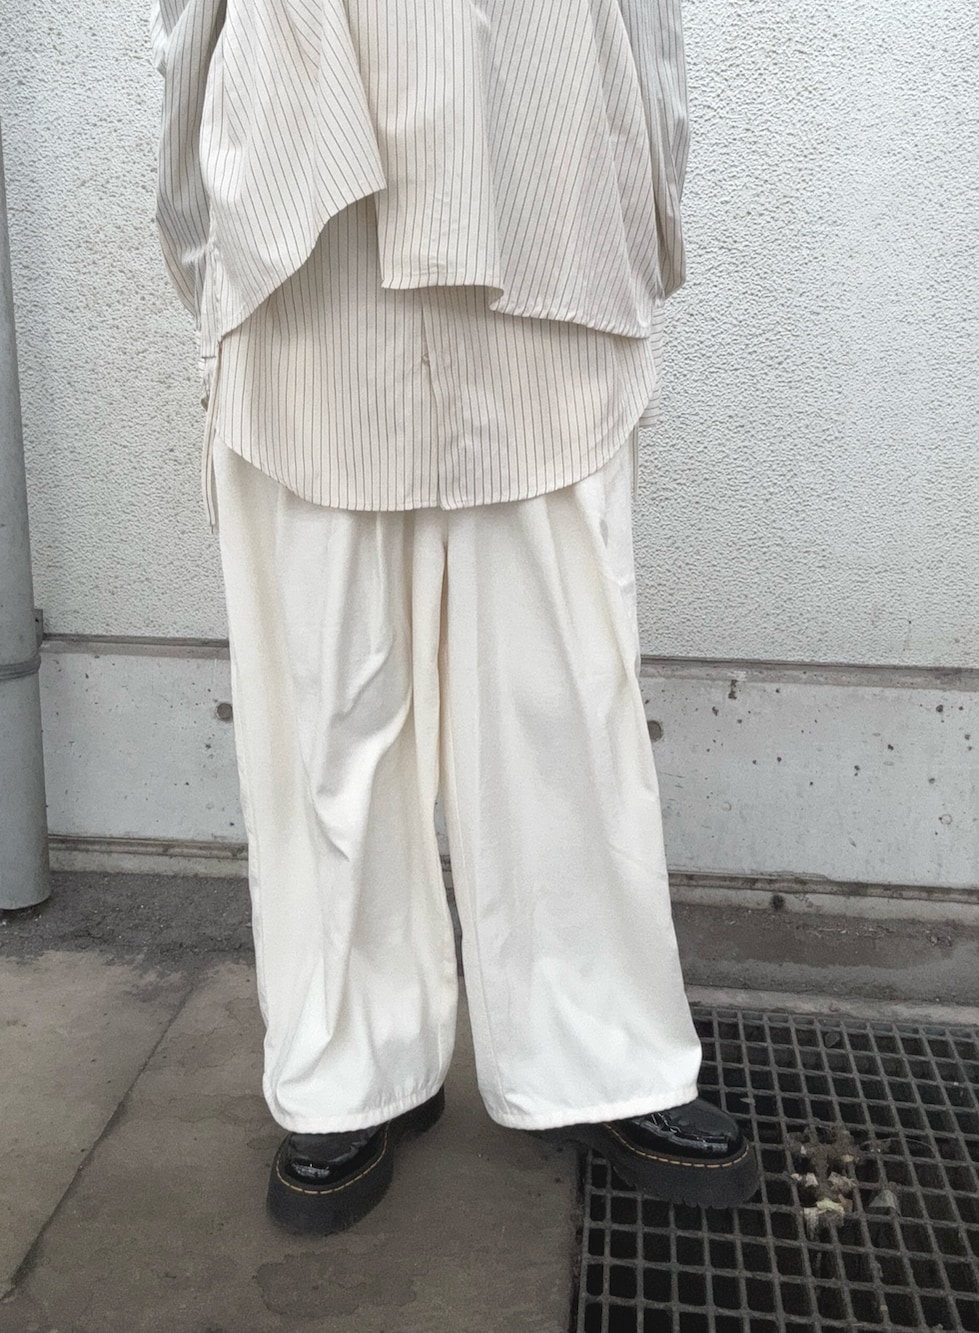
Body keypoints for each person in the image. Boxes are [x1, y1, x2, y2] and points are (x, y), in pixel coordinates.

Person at [150, 0, 760, 1235]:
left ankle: (599, 1051)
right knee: (328, 703)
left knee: (563, 695)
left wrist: (643, 195)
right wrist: (204, 235)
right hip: (310, 242)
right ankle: (350, 1063)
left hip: (540, 187)